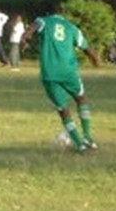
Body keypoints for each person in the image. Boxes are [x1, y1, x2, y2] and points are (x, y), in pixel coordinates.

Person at [20, 9, 101, 153]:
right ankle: (88, 136)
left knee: (63, 109)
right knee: (81, 99)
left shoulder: (43, 21)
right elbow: (86, 48)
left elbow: (30, 31)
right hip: (69, 71)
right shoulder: (71, 27)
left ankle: (79, 144)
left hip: (49, 73)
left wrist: (25, 39)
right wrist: (95, 59)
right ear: (63, 16)